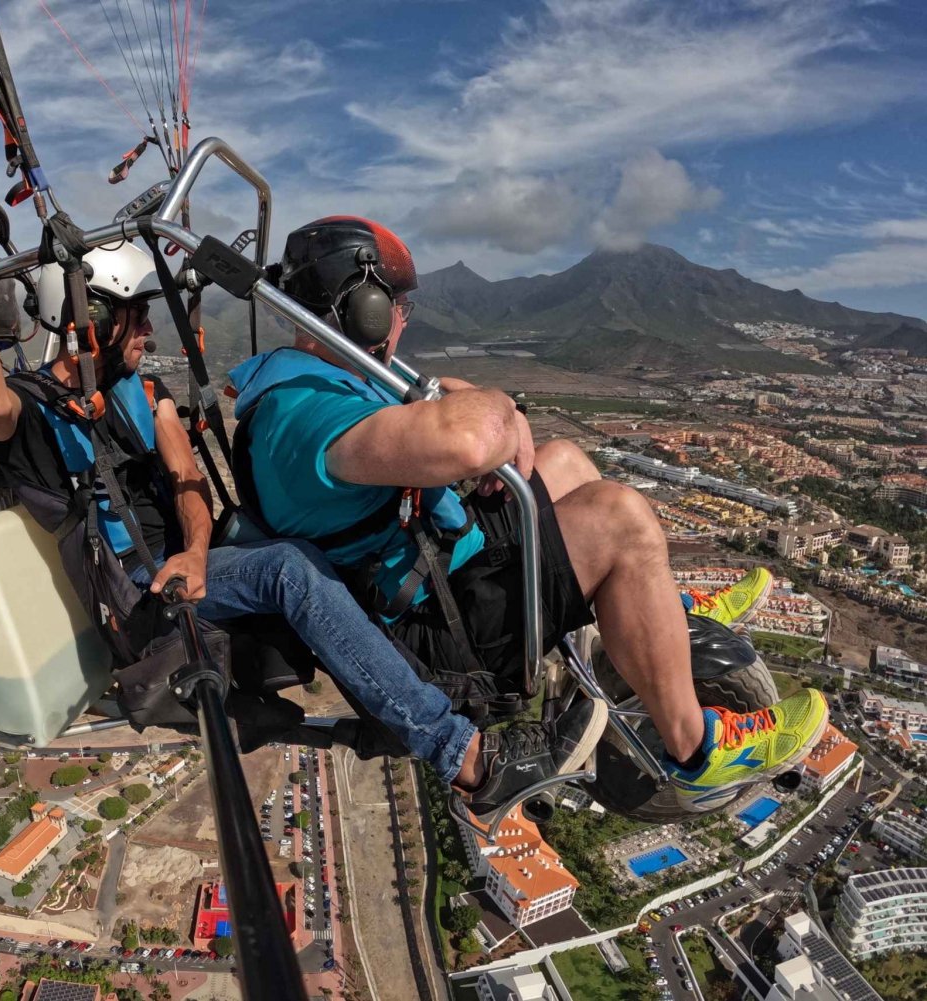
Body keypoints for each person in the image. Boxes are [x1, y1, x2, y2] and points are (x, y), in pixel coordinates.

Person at [0, 174, 603, 815]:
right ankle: (466, 758)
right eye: (137, 316)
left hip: (187, 567)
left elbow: (187, 481)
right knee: (289, 567)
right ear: (90, 318)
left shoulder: (141, 393)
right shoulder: (35, 418)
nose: (151, 331)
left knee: (298, 548)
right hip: (135, 594)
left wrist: (201, 547)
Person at [228, 215, 829, 812]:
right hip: (435, 628)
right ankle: (696, 750)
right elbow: (467, 439)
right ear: (367, 310)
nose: (405, 318)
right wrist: (500, 414)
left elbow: (444, 392)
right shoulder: (306, 415)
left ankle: (658, 614)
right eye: (399, 304)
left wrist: (500, 417)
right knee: (620, 517)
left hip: (435, 567)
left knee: (563, 460)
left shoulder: (331, 377)